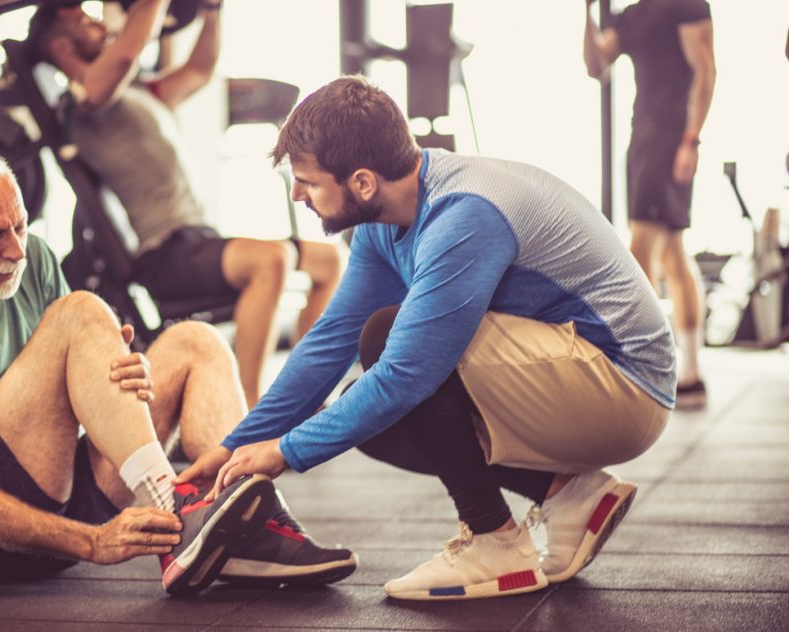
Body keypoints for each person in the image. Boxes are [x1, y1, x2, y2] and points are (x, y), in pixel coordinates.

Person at [177, 75, 676, 601]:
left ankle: (496, 542)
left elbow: (406, 373)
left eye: (308, 181)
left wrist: (285, 452)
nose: (298, 193)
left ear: (363, 182)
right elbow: (331, 338)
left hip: (625, 388)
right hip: (578, 370)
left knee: (390, 347)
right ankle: (568, 494)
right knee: (363, 414)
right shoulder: (386, 218)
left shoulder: (463, 215)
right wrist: (237, 444)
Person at [0, 145, 356, 595]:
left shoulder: (30, 258)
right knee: (79, 312)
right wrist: (91, 543)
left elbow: (68, 389)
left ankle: (253, 521)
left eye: (19, 225)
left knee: (196, 343)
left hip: (60, 489)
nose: (15, 249)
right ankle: (174, 509)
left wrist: (120, 374)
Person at [27, 0, 347, 407]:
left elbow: (200, 70)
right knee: (272, 261)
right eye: (83, 21)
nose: (96, 23)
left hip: (196, 240)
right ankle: (247, 410)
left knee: (329, 261)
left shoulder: (136, 91)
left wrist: (212, 9)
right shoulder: (82, 103)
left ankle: (303, 397)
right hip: (165, 252)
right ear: (60, 47)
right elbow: (124, 55)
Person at [583, 0, 716, 408]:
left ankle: (642, 370)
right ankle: (690, 375)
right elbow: (596, 65)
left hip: (670, 137)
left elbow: (705, 70)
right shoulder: (633, 15)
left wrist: (690, 140)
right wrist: (584, 13)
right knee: (673, 256)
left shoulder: (686, 4)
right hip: (642, 136)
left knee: (640, 251)